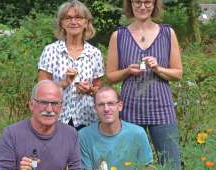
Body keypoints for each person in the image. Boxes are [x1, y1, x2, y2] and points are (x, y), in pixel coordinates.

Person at [105, 0, 183, 169]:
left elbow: (178, 73)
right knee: (128, 164)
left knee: (171, 164)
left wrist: (157, 68)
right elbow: (110, 76)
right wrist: (127, 71)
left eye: (147, 1)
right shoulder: (118, 36)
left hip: (162, 109)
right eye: (137, 2)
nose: (142, 6)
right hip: (130, 110)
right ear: (130, 4)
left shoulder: (167, 33)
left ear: (155, 4)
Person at [37, 0, 104, 130]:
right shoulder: (51, 51)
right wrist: (63, 83)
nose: (73, 21)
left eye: (78, 17)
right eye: (68, 18)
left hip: (87, 119)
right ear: (61, 23)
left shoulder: (95, 53)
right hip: (56, 118)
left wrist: (89, 89)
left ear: (86, 23)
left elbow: (98, 90)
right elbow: (40, 89)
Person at [0, 80, 81, 170]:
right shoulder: (11, 135)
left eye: (55, 103)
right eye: (43, 102)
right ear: (31, 105)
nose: (49, 109)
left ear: (61, 108)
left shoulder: (70, 134)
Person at [79, 86, 153, 170]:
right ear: (95, 109)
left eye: (111, 103)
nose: (106, 109)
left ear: (120, 106)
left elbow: (146, 167)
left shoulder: (138, 133)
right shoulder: (84, 136)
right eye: (101, 105)